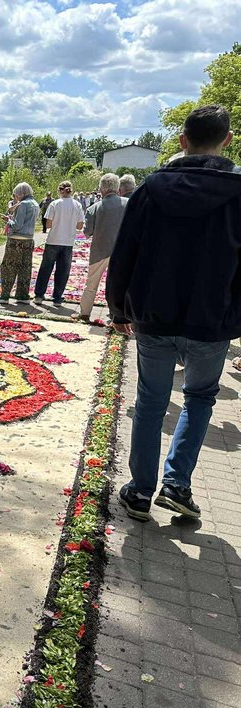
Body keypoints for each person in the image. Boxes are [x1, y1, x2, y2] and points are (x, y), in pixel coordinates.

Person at [107, 104, 241, 522]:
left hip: (154, 314)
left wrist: (117, 307)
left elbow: (124, 252)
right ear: (228, 141)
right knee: (199, 399)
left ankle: (140, 491)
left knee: (150, 401)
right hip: (211, 318)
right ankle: (177, 484)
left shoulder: (151, 190)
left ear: (182, 142)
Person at [73, 173, 126, 322]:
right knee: (120, 284)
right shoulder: (129, 204)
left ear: (102, 189)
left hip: (100, 251)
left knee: (92, 284)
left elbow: (87, 233)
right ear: (118, 188)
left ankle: (84, 313)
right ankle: (117, 315)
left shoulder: (94, 208)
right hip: (122, 251)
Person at [34, 180, 83, 305]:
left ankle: (39, 295)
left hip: (53, 239)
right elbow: (80, 225)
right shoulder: (77, 205)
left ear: (59, 190)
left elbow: (48, 224)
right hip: (68, 241)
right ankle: (57, 297)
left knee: (46, 268)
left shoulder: (55, 204)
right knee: (63, 270)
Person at [0, 183, 40, 304]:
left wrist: (8, 220)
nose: (15, 197)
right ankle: (22, 295)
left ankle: (4, 296)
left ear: (21, 193)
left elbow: (18, 225)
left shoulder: (23, 205)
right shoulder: (35, 204)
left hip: (16, 240)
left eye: (16, 194)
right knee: (25, 268)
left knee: (9, 267)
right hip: (29, 239)